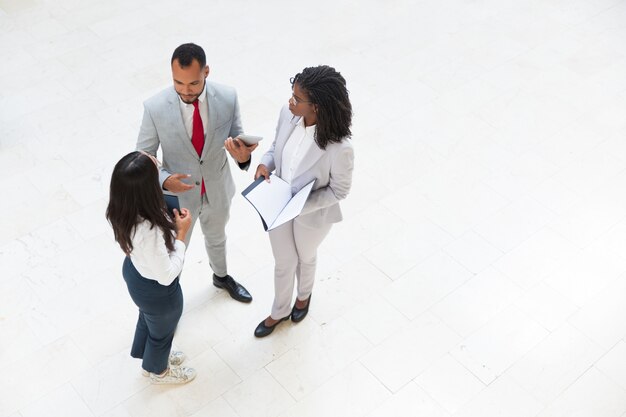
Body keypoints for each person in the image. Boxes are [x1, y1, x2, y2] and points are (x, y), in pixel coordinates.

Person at [136, 43, 256, 303]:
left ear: (206, 72)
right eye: (178, 83)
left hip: (217, 188)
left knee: (217, 237)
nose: (185, 91)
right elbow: (143, 157)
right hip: (178, 199)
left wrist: (243, 157)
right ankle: (169, 298)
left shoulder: (227, 97)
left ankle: (221, 276)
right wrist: (165, 179)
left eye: (192, 83)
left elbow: (237, 139)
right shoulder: (154, 107)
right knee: (174, 248)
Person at [253, 65, 354, 337]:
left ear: (318, 107)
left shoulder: (340, 147)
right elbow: (276, 147)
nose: (290, 102)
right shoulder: (287, 114)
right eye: (292, 95)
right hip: (277, 205)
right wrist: (265, 165)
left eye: (298, 99)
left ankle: (304, 296)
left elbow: (339, 191)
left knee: (305, 257)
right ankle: (279, 311)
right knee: (284, 261)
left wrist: (299, 205)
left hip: (312, 214)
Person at [106, 151, 196, 384]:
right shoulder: (150, 229)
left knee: (148, 320)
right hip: (158, 290)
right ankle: (159, 371)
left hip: (136, 274)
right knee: (163, 333)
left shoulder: (120, 209)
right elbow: (166, 275)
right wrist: (182, 234)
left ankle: (149, 359)